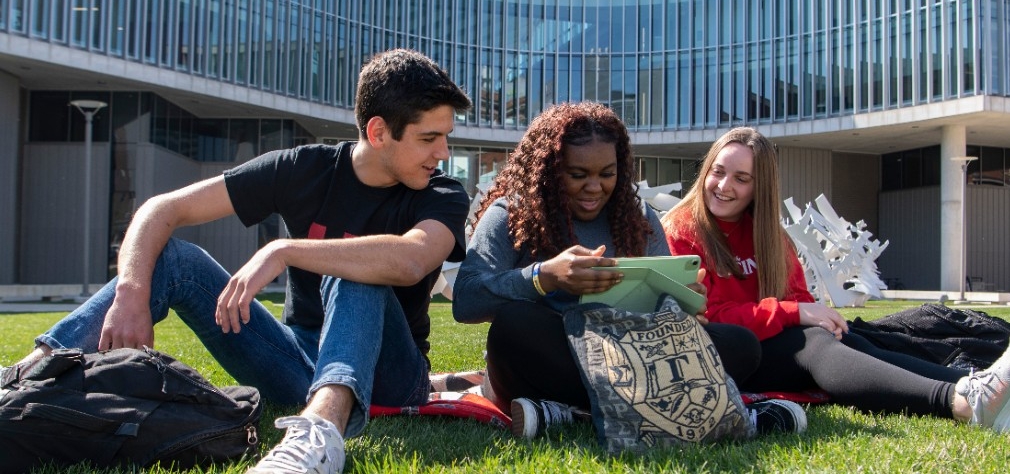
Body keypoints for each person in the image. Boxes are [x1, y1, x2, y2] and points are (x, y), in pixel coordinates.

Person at [11, 49, 472, 474]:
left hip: (392, 376)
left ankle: (319, 436)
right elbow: (162, 209)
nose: (443, 153)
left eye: (445, 137)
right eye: (429, 138)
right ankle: (24, 378)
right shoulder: (303, 169)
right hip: (296, 361)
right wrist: (131, 293)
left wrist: (281, 250)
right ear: (378, 132)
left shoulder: (443, 193)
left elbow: (411, 260)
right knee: (177, 260)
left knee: (356, 269)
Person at [452, 102, 806, 440]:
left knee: (741, 345)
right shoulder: (511, 214)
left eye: (607, 174)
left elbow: (668, 317)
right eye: (577, 175)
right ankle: (643, 408)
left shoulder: (636, 218)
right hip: (555, 354)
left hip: (629, 356)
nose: (595, 187)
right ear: (549, 170)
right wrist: (543, 277)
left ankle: (571, 412)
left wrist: (684, 303)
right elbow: (467, 300)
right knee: (513, 325)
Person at [661, 126, 1010, 431]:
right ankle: (959, 402)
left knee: (845, 339)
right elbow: (708, 317)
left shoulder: (767, 235)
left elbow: (797, 297)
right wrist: (793, 313)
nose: (723, 186)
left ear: (759, 188)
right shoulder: (680, 231)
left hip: (772, 345)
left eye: (741, 178)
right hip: (724, 355)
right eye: (718, 172)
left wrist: (808, 315)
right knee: (815, 344)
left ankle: (974, 386)